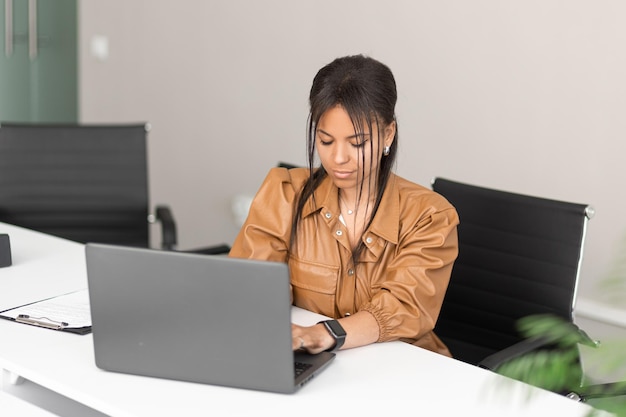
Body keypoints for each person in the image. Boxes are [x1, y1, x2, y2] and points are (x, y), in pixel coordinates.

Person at [229, 54, 459, 356]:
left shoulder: (429, 216)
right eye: (325, 141)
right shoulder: (284, 193)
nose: (338, 158)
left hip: (403, 370)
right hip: (312, 360)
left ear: (388, 133)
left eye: (357, 143)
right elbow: (250, 285)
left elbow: (403, 307)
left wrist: (325, 334)